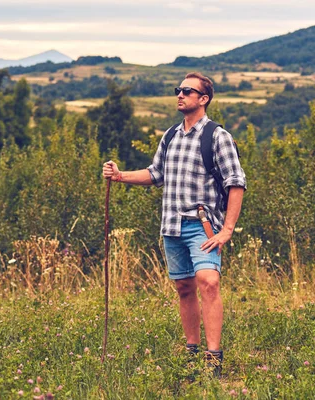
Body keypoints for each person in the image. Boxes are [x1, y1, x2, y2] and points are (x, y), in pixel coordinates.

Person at [102, 72, 246, 377]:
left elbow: (236, 183)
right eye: (178, 90)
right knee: (183, 287)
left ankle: (213, 360)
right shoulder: (170, 136)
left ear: (203, 99)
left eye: (187, 91)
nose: (179, 95)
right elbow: (156, 174)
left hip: (203, 226)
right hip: (171, 226)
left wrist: (227, 230)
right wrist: (120, 175)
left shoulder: (217, 137)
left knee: (209, 282)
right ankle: (192, 353)